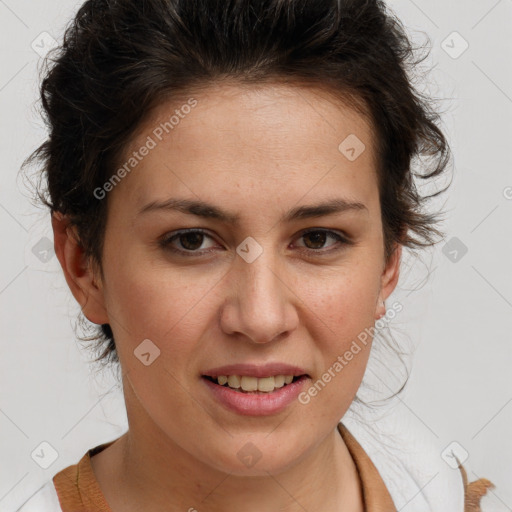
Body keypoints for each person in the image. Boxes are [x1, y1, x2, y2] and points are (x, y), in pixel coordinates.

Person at [17, 0, 495, 510]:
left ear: (388, 261)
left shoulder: (442, 493)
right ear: (83, 265)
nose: (261, 319)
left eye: (318, 239)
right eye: (192, 240)